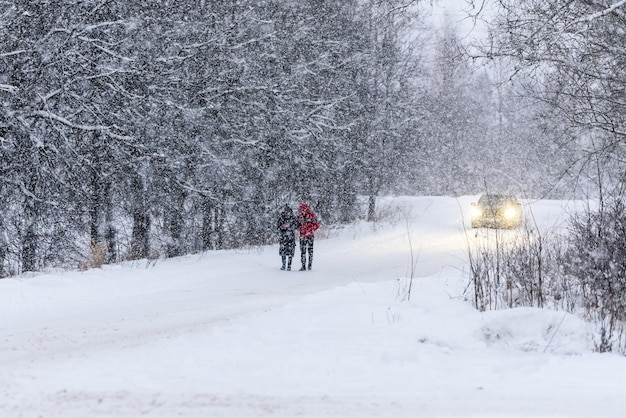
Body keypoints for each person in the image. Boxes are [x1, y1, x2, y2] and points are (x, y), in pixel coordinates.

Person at [296, 203, 319, 271]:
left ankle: (310, 265)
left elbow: (316, 225)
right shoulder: (299, 217)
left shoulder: (312, 216)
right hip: (302, 236)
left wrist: (311, 230)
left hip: (310, 236)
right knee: (302, 251)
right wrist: (300, 229)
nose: (301, 211)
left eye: (302, 209)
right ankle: (303, 265)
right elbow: (297, 225)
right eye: (300, 210)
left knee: (310, 251)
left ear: (305, 209)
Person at [276, 205, 298, 270]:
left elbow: (296, 226)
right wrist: (283, 227)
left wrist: (289, 226)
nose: (287, 213)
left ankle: (289, 265)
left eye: (288, 212)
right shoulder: (281, 218)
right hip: (283, 238)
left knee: (290, 253)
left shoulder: (293, 219)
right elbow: (278, 227)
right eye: (286, 212)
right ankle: (283, 265)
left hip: (291, 238)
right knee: (283, 252)